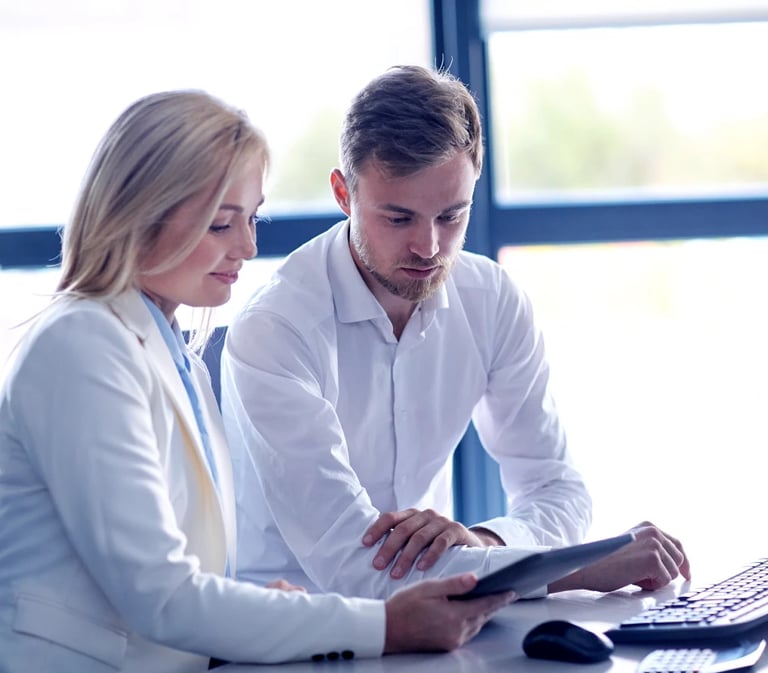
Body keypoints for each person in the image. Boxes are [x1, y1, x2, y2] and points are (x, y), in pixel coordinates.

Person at [0, 89, 519, 673]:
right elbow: (161, 596)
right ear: (140, 214)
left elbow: (183, 582)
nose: (247, 247)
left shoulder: (178, 356)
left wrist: (264, 613)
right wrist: (386, 626)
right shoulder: (81, 348)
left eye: (250, 220)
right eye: (221, 225)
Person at [221, 65, 691, 599]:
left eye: (452, 216)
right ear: (344, 194)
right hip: (292, 632)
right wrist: (581, 567)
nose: (428, 247)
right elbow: (355, 568)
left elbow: (556, 487)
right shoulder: (276, 330)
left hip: (443, 617)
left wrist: (485, 540)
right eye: (398, 219)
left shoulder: (488, 299)